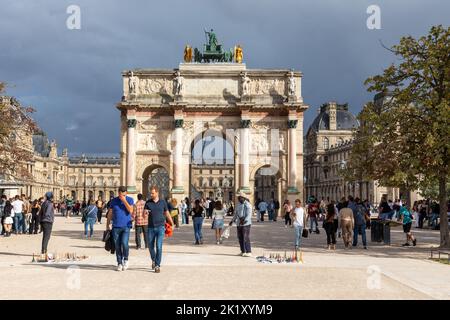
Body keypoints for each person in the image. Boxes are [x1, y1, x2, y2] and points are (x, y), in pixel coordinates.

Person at [144, 186, 174, 273]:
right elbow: (144, 215)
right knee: (150, 246)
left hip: (161, 227)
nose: (151, 194)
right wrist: (145, 213)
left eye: (153, 193)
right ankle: (153, 259)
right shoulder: (148, 203)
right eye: (151, 193)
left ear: (157, 193)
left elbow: (167, 213)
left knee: (159, 246)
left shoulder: (163, 202)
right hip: (150, 227)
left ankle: (157, 265)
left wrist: (172, 223)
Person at [106, 186, 135, 272]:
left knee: (124, 243)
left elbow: (130, 210)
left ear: (126, 193)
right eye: (121, 193)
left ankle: (125, 259)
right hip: (116, 226)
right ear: (118, 193)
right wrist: (108, 225)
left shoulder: (130, 199)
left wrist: (124, 200)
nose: (122, 195)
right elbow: (110, 213)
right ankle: (119, 263)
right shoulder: (114, 201)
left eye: (124, 193)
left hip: (126, 226)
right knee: (117, 245)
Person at [229, 192, 253, 257]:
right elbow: (236, 214)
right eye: (238, 197)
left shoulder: (248, 205)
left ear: (243, 198)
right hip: (239, 223)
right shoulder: (238, 205)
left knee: (246, 237)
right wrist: (232, 220)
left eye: (240, 197)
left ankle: (248, 251)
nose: (238, 198)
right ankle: (243, 251)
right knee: (240, 238)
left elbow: (249, 214)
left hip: (246, 224)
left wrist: (245, 221)